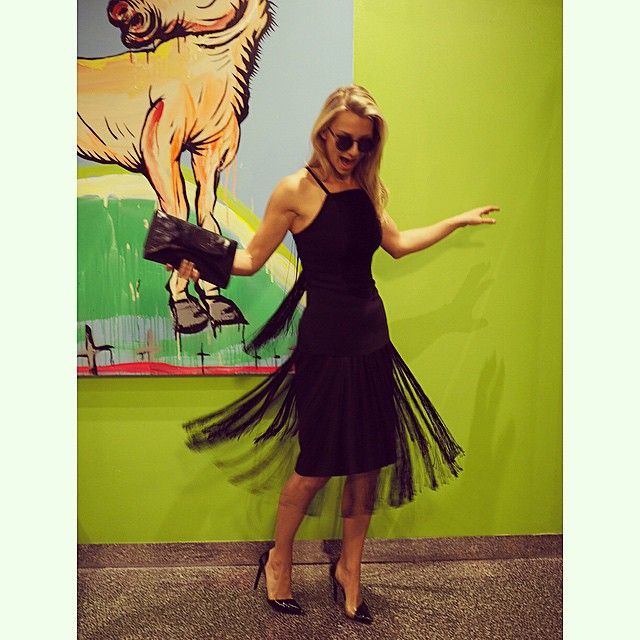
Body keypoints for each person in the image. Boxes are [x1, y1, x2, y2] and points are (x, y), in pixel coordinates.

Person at [177, 85, 499, 624]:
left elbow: (397, 244)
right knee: (316, 466)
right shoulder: (294, 190)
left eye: (365, 144)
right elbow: (251, 259)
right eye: (345, 141)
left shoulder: (367, 189)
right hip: (324, 345)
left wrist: (455, 221)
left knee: (367, 466)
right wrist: (196, 257)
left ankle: (350, 568)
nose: (353, 152)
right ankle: (279, 559)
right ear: (324, 132)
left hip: (372, 339)